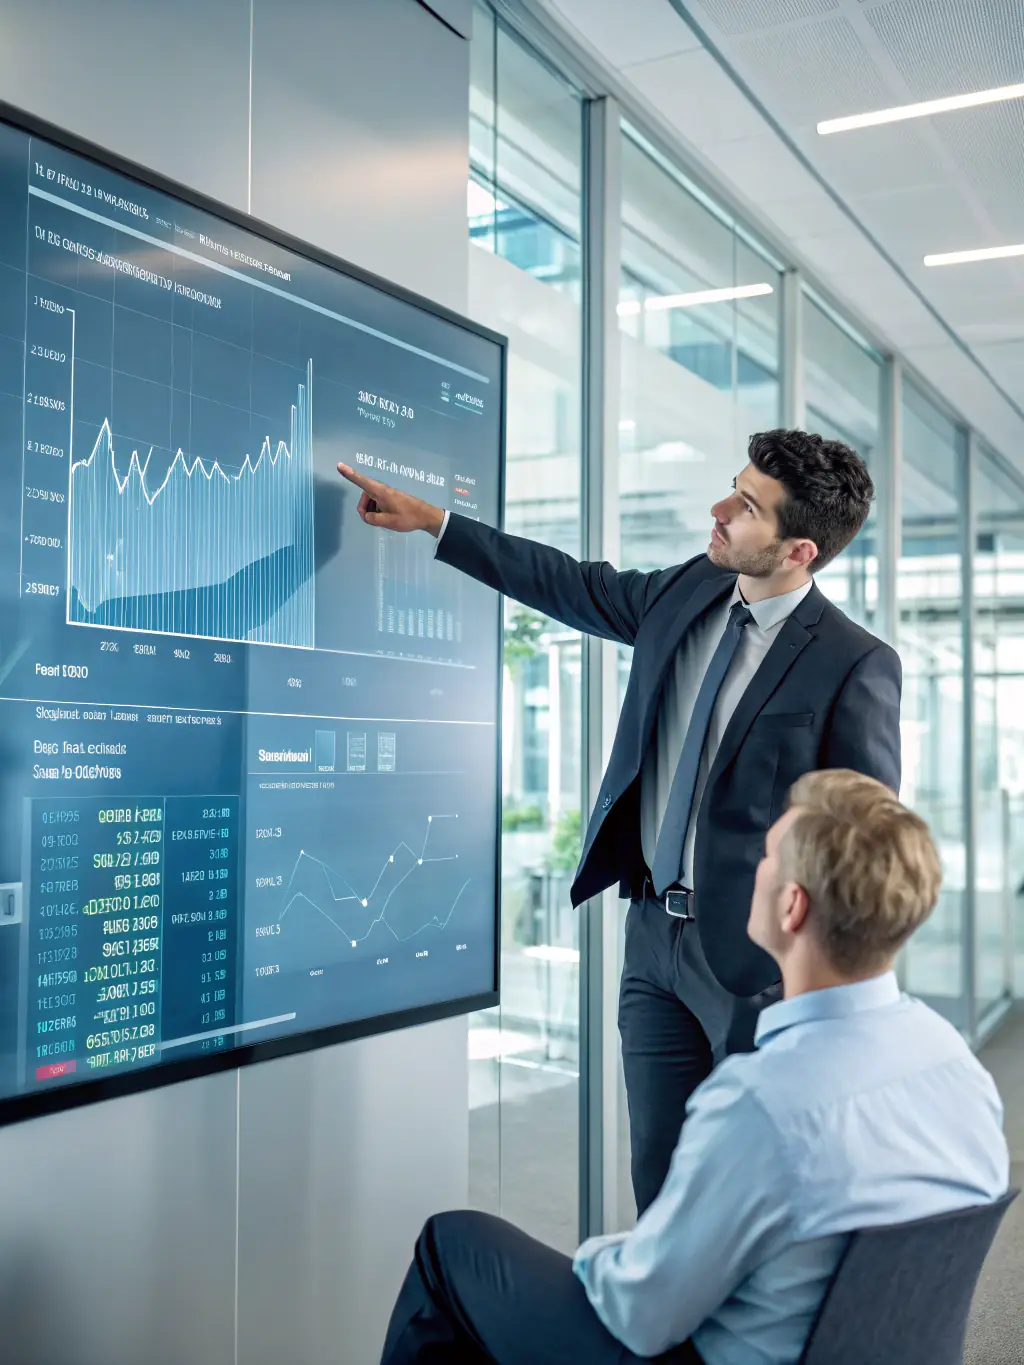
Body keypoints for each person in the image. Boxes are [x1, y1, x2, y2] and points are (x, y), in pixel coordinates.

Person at [338, 429, 902, 1214]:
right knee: (661, 1183)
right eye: (731, 485)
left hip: (758, 966)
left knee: (757, 1189)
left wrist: (815, 981)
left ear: (799, 549)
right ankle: (663, 1335)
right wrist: (434, 522)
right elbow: (570, 582)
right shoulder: (686, 593)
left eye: (745, 505)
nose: (719, 509)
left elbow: (864, 840)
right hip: (652, 943)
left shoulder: (852, 661)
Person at [378, 770, 1009, 1365]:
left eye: (766, 856)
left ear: (792, 907)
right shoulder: (958, 1068)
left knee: (451, 1245)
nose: (748, 871)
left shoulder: (764, 1104)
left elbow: (642, 1313)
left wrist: (607, 1255)